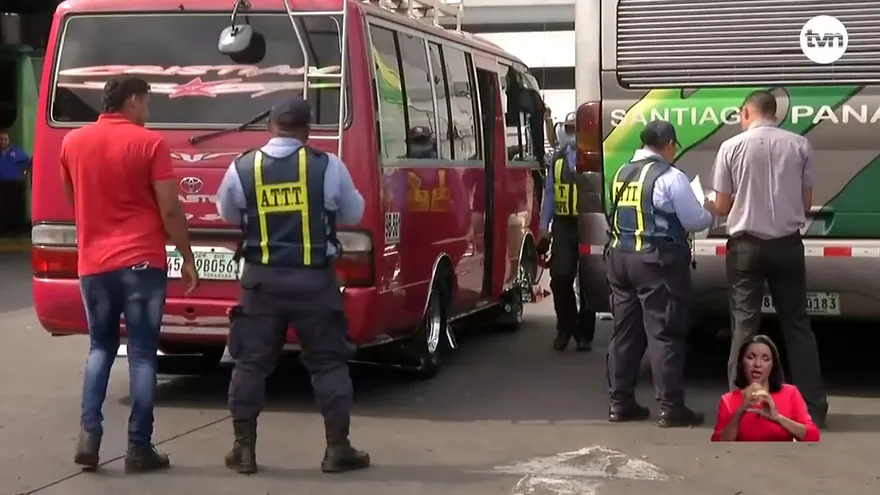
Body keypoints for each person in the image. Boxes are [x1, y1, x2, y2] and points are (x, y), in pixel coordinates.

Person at [216, 98, 368, 475]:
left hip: (261, 281)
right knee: (327, 361)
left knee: (250, 362)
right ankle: (337, 449)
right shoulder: (328, 167)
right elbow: (354, 213)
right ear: (307, 131)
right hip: (315, 281)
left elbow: (227, 212)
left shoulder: (242, 167)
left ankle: (244, 450)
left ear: (270, 127)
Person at [60, 75, 199, 472]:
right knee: (141, 354)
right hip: (141, 264)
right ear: (134, 100)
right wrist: (186, 255)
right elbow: (170, 208)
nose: (147, 111)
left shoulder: (73, 142)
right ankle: (139, 448)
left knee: (100, 348)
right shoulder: (149, 143)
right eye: (147, 103)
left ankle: (89, 436)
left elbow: (74, 198)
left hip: (94, 265)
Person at [707, 90, 828, 427]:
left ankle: (738, 409)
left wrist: (707, 201)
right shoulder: (799, 145)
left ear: (747, 112)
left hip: (745, 246)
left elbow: (722, 206)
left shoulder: (731, 148)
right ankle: (813, 408)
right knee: (798, 327)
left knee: (744, 326)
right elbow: (805, 205)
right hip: (788, 246)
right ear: (775, 114)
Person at [605, 119, 713, 427]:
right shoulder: (671, 177)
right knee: (665, 333)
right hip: (657, 263)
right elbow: (695, 221)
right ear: (668, 145)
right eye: (673, 147)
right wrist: (711, 210)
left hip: (620, 259)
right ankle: (671, 407)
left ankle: (619, 403)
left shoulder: (622, 173)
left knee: (624, 333)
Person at [539, 115, 596, 352]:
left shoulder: (595, 156)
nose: (573, 134)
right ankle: (566, 326)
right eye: (570, 129)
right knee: (560, 279)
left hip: (589, 224)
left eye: (577, 129)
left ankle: (584, 333)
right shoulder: (559, 157)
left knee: (589, 282)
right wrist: (544, 226)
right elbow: (550, 192)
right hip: (564, 224)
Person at [711, 334, 820, 442]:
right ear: (742, 363)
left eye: (765, 359)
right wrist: (740, 410)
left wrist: (778, 418)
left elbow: (813, 436)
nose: (757, 364)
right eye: (751, 357)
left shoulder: (790, 393)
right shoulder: (728, 400)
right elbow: (717, 443)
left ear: (773, 365)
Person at [0, 130, 31, 235]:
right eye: (1, 139)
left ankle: (18, 230)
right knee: (3, 207)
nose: (3, 142)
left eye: (5, 139)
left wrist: (24, 175)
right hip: (2, 184)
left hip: (15, 184)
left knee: (16, 207)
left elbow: (28, 162)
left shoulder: (15, 151)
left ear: (8, 140)